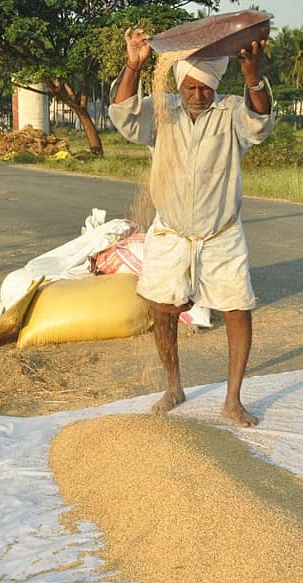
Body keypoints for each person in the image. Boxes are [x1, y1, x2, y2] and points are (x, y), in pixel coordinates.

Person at [110, 27, 273, 427]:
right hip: (171, 233)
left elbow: (261, 122)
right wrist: (133, 65)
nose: (198, 95)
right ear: (179, 83)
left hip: (222, 234)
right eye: (190, 88)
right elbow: (124, 118)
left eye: (205, 89)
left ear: (215, 87)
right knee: (164, 311)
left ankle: (233, 399)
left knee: (237, 310)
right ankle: (173, 386)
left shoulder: (232, 111)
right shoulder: (162, 110)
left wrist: (253, 76)